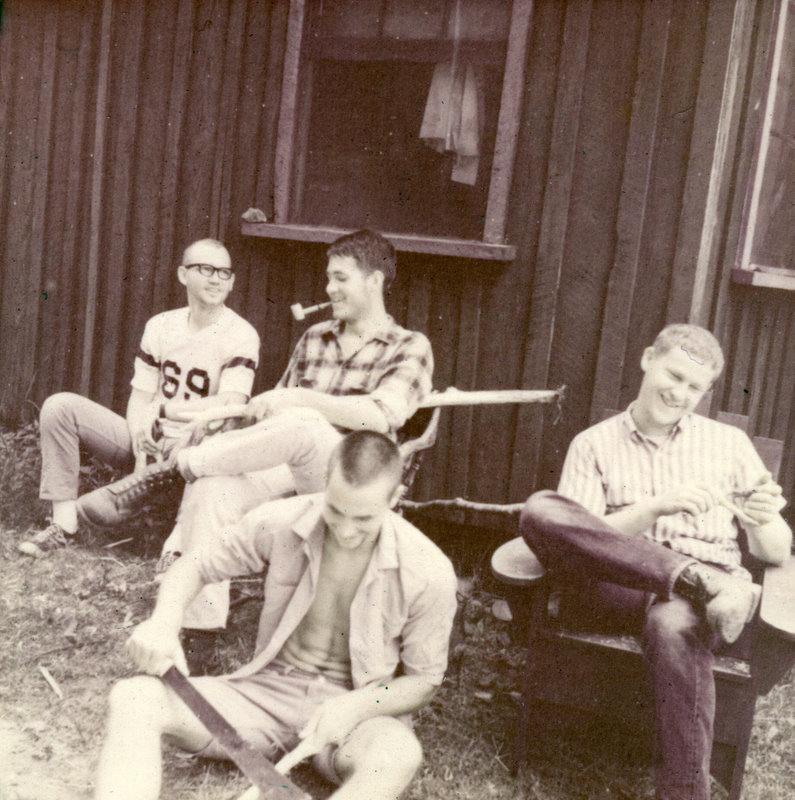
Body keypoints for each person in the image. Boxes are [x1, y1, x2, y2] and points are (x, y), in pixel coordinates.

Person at [77, 229, 434, 640]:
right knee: (214, 487)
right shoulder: (316, 337)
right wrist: (250, 411)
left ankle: (171, 471)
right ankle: (199, 635)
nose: (328, 288)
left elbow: (379, 415)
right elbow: (275, 419)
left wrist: (299, 398)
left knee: (304, 422)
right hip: (289, 466)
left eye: (340, 278)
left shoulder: (410, 345)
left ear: (374, 281)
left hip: (353, 477)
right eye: (328, 278)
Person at [92, 430, 458, 800]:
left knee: (398, 753)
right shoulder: (284, 519)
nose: (346, 531)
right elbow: (195, 566)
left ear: (395, 498)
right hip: (263, 696)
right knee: (134, 697)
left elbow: (423, 681)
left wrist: (356, 706)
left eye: (363, 518)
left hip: (354, 718)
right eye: (334, 509)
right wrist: (163, 624)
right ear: (324, 482)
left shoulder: (428, 570)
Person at [519, 323, 791, 800]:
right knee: (540, 510)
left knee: (672, 626)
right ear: (648, 359)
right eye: (674, 375)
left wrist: (761, 520)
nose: (680, 393)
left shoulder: (728, 445)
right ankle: (690, 579)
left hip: (698, 594)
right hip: (617, 583)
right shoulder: (594, 444)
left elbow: (774, 550)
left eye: (694, 386)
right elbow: (577, 540)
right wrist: (655, 507)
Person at [19, 239, 260, 557]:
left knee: (212, 430)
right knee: (59, 407)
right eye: (206, 269)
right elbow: (140, 397)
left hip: (195, 446)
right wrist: (139, 438)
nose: (216, 279)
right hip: (150, 440)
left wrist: (164, 411)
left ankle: (176, 547)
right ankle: (65, 526)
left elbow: (230, 403)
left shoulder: (241, 333)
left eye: (224, 272)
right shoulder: (161, 325)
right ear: (183, 274)